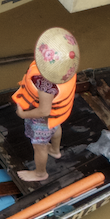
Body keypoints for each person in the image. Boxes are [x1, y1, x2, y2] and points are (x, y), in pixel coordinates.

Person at [11, 27, 79, 185]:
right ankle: (55, 150)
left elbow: (44, 110)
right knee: (55, 127)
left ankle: (40, 173)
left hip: (42, 119)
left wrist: (23, 115)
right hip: (56, 117)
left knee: (39, 146)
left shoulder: (45, 84)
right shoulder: (66, 69)